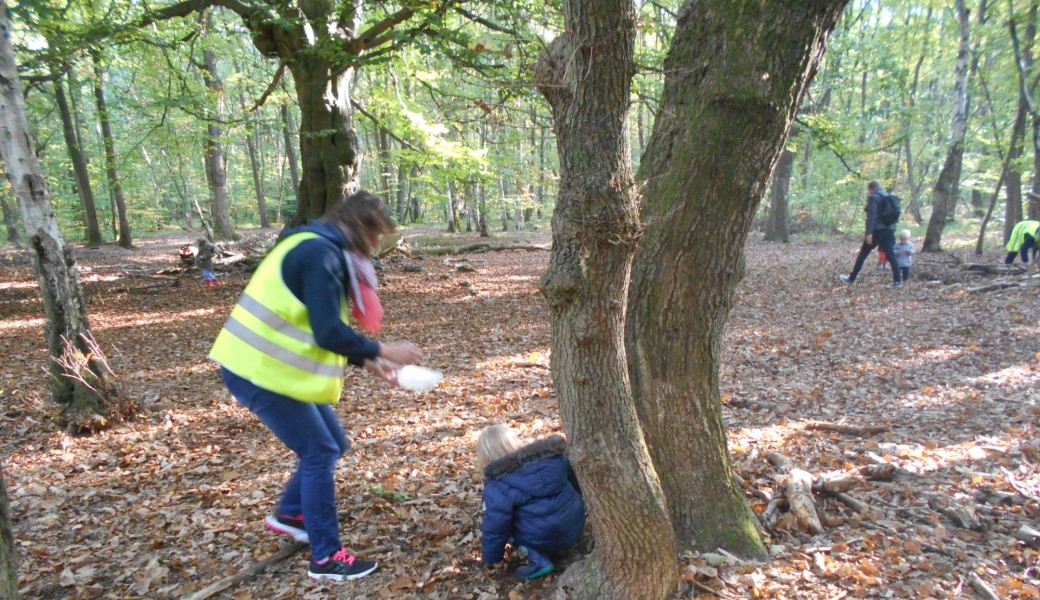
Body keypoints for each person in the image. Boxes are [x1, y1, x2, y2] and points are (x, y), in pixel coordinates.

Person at [208, 190, 423, 582]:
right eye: (375, 237)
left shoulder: (318, 245)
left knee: (333, 443)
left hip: (273, 368)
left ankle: (291, 514)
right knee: (319, 449)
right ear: (360, 227)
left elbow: (320, 329)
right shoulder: (319, 255)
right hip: (256, 370)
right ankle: (325, 558)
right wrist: (384, 349)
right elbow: (328, 333)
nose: (376, 247)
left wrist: (371, 361)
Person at [477, 424, 585, 580]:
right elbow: (575, 483)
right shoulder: (551, 458)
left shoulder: (497, 485)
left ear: (486, 457)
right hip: (575, 525)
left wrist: (494, 557)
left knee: (505, 524)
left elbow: (495, 527)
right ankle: (560, 546)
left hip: (544, 536)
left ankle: (538, 560)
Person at [839, 180, 902, 288]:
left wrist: (869, 233)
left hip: (877, 231)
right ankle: (898, 281)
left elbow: (871, 217)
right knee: (891, 255)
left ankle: (851, 278)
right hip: (890, 230)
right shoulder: (889, 197)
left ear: (871, 189)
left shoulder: (874, 198)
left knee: (863, 253)